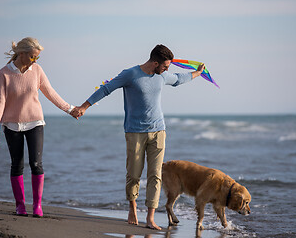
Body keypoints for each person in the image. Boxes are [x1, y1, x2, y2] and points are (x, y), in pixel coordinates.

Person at [71, 44, 205, 230]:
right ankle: (132, 208)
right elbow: (106, 89)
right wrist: (84, 107)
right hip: (134, 132)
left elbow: (179, 79)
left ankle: (150, 217)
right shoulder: (130, 74)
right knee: (134, 174)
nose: (167, 70)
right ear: (155, 62)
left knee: (155, 175)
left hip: (159, 131)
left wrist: (198, 73)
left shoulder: (161, 75)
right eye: (165, 66)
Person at [0, 37, 76, 217]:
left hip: (35, 122)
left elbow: (50, 93)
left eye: (37, 58)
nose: (34, 61)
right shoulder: (4, 73)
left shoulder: (37, 70)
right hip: (12, 124)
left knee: (36, 163)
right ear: (21, 54)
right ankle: (20, 205)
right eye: (32, 57)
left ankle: (37, 206)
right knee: (17, 164)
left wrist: (70, 109)